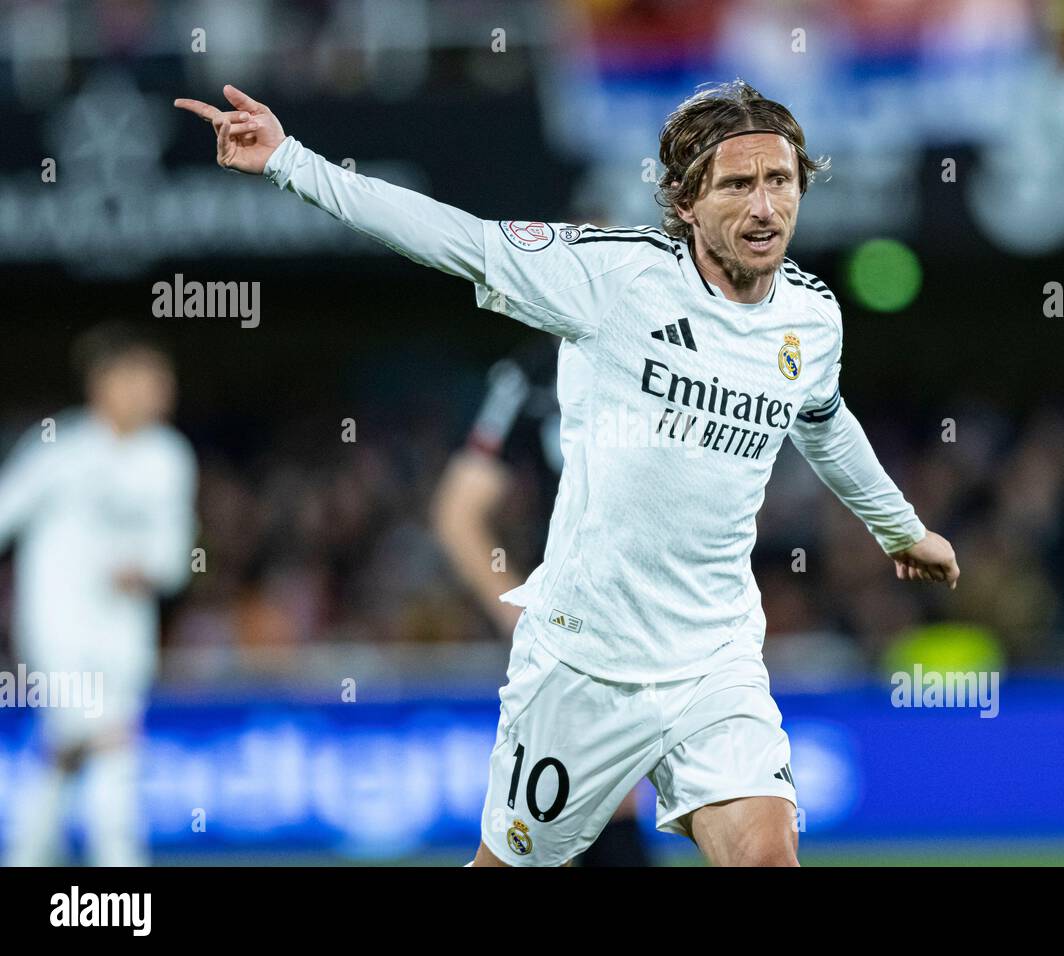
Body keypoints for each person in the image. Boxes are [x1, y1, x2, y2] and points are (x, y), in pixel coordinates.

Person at [175, 79, 959, 867]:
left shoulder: (811, 317)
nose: (765, 208)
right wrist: (291, 162)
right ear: (686, 201)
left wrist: (901, 528)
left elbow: (823, 421)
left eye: (780, 181)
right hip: (586, 664)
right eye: (738, 185)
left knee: (766, 857)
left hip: (715, 661)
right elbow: (456, 238)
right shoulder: (611, 279)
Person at [434, 334, 652, 866]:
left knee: (742, 821)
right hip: (588, 624)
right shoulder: (532, 373)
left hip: (684, 617)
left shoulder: (694, 342)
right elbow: (458, 513)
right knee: (597, 807)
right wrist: (522, 616)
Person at [0, 324, 197, 866]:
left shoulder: (168, 457)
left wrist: (146, 570)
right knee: (111, 738)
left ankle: (24, 856)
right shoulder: (60, 447)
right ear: (104, 383)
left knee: (67, 747)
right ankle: (121, 870)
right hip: (58, 627)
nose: (158, 391)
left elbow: (175, 559)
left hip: (124, 631)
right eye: (145, 379)